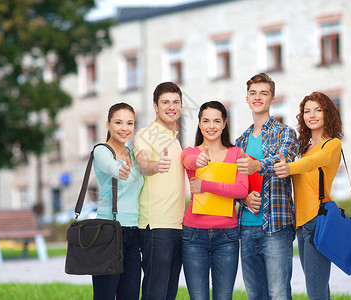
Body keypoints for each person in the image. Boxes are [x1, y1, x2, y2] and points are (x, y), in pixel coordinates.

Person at [235, 73, 298, 300]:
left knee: (279, 294)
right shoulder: (240, 141)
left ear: (272, 99)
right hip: (246, 226)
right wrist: (242, 200)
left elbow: (285, 161)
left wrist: (257, 165)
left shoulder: (286, 133)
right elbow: (232, 183)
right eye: (253, 93)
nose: (258, 97)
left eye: (264, 93)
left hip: (276, 227)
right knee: (255, 295)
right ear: (247, 99)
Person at [274, 92, 343, 299]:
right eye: (307, 111)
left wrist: (290, 167)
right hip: (302, 224)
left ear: (327, 114)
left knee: (316, 291)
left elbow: (313, 162)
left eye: (318, 110)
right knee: (318, 288)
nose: (311, 115)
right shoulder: (304, 148)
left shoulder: (331, 145)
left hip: (317, 222)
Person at [181, 101, 248, 300]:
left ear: (225, 123)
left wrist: (206, 185)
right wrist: (199, 161)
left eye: (217, 121)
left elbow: (241, 190)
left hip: (227, 236)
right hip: (193, 235)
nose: (211, 126)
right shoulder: (191, 152)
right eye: (206, 121)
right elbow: (188, 161)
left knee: (224, 297)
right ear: (200, 124)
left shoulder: (237, 153)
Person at [133, 81, 185, 300]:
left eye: (175, 102)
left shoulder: (175, 139)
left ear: (181, 106)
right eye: (165, 102)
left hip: (177, 225)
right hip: (155, 226)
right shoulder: (146, 134)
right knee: (155, 294)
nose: (171, 107)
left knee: (169, 294)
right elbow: (143, 162)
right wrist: (155, 166)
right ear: (155, 106)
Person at [92, 102, 144, 300]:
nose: (125, 128)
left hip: (133, 232)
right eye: (118, 122)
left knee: (130, 294)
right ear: (108, 125)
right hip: (108, 231)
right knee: (105, 294)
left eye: (130, 123)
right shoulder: (102, 151)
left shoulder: (131, 154)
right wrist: (119, 170)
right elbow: (111, 167)